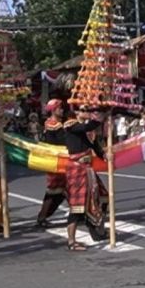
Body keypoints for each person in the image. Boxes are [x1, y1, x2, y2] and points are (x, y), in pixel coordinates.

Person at [63, 108, 107, 251]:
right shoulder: (70, 125)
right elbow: (87, 126)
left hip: (88, 169)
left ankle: (97, 230)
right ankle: (71, 241)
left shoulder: (87, 130)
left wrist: (104, 155)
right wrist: (100, 117)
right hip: (77, 170)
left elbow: (94, 146)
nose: (87, 111)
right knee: (77, 207)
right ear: (76, 112)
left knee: (102, 197)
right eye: (84, 109)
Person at [33, 99, 69, 228]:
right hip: (57, 161)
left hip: (58, 160)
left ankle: (79, 213)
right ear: (53, 110)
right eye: (60, 108)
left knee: (62, 190)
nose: (62, 110)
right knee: (56, 190)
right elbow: (63, 142)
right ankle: (42, 217)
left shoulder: (51, 123)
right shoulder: (55, 125)